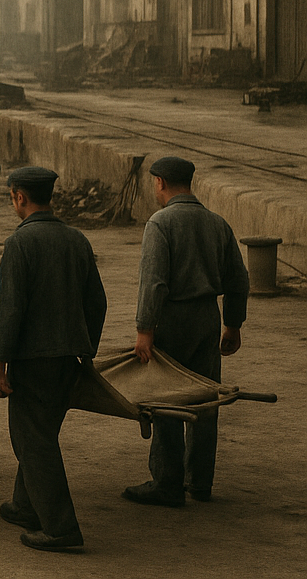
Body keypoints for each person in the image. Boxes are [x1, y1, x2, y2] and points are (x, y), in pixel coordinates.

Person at [0, 166, 107, 553]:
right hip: (68, 359)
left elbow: (10, 310)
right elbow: (97, 303)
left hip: (33, 360)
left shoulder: (19, 244)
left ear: (19, 197)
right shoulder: (76, 239)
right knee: (40, 433)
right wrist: (85, 350)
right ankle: (25, 506)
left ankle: (60, 527)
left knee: (32, 440)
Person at [122, 156, 249, 507]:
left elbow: (154, 283)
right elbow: (239, 280)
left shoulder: (160, 223)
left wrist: (144, 330)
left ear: (160, 182)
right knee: (205, 398)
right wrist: (233, 324)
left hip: (173, 320)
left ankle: (167, 482)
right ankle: (200, 481)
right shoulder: (217, 223)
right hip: (207, 318)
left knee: (166, 399)